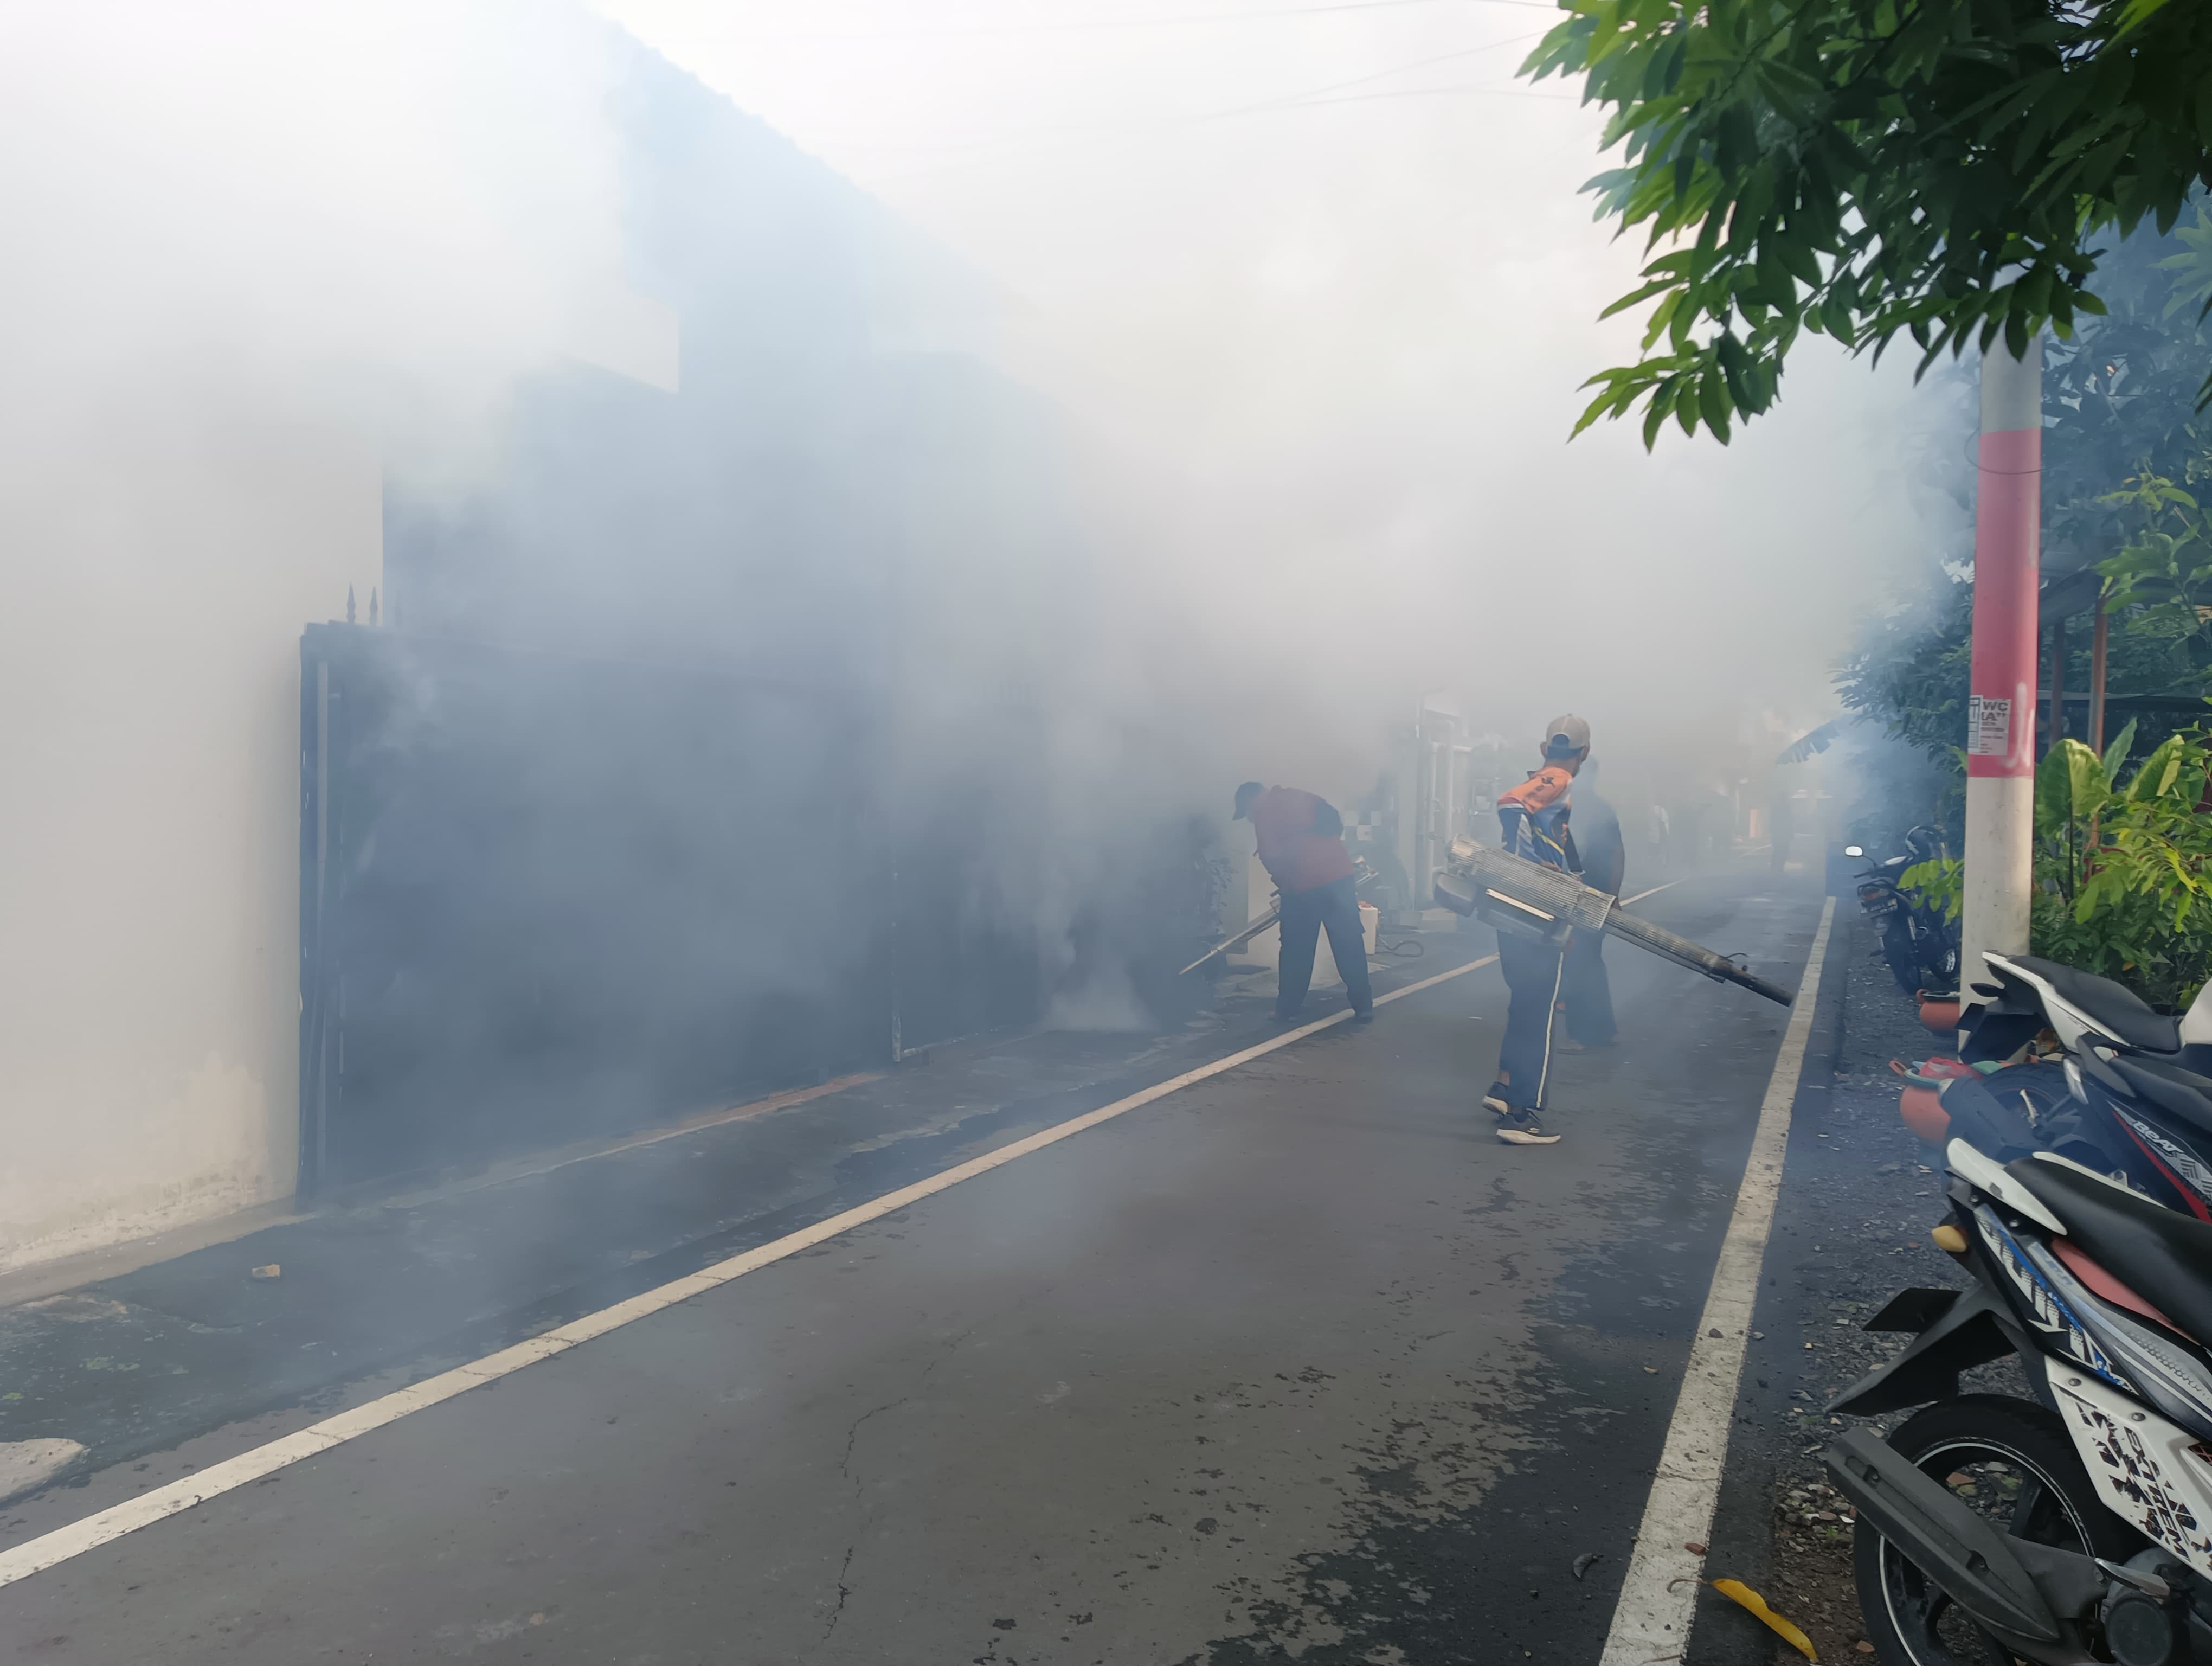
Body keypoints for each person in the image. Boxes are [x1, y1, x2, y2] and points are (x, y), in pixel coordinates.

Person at [1482, 715, 1590, 1146]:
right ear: (1585, 752)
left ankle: (1504, 1090)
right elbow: (1510, 803)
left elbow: (1558, 840)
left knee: (1525, 1003)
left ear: (1544, 746)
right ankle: (1522, 1116)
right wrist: (1530, 863)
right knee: (1541, 1010)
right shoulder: (1559, 777)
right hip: (1535, 907)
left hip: (1513, 906)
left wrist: (1573, 873)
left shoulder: (1549, 781)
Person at [1233, 781, 1374, 1024]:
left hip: (1303, 889)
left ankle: (1286, 1010)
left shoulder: (1265, 813)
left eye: (1246, 812)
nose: (1248, 818)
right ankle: (1364, 1007)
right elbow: (1334, 821)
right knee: (1348, 944)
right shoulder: (1301, 797)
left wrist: (1287, 884)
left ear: (1251, 801)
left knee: (1296, 951)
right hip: (1340, 878)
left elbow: (1271, 856)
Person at [1560, 757, 1622, 1053]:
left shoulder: (1576, 808)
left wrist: (1613, 896)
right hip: (1591, 897)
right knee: (1590, 962)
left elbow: (1615, 854)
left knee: (1578, 962)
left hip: (1582, 899)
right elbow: (1617, 855)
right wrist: (1615, 896)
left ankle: (1582, 1035)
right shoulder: (1600, 809)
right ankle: (1604, 1029)